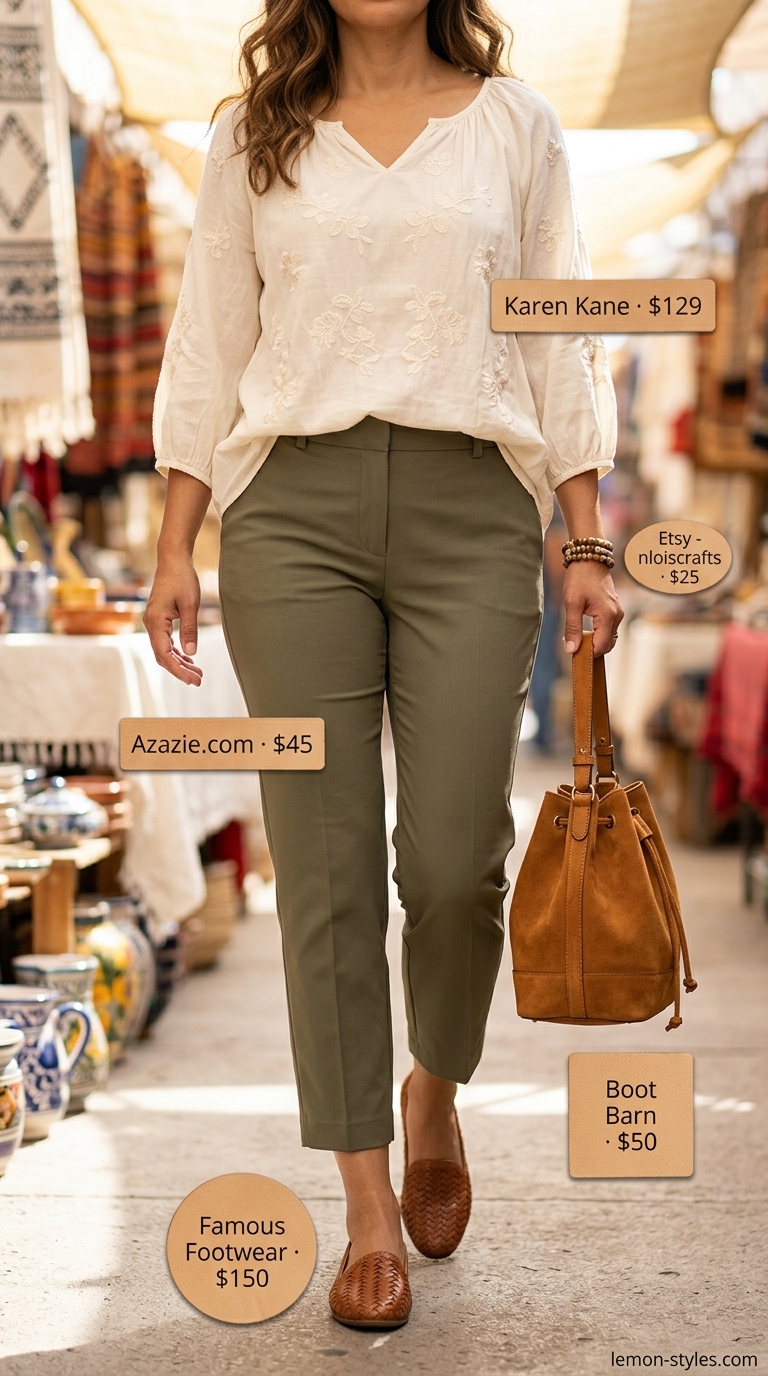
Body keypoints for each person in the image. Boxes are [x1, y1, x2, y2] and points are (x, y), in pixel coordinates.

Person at [145, 0, 623, 1330]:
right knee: (328, 861)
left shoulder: (517, 127)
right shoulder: (254, 132)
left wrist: (585, 534)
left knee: (460, 857)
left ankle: (436, 1087)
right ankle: (364, 1207)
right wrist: (177, 540)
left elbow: (557, 329)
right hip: (288, 512)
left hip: (476, 507)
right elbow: (208, 342)